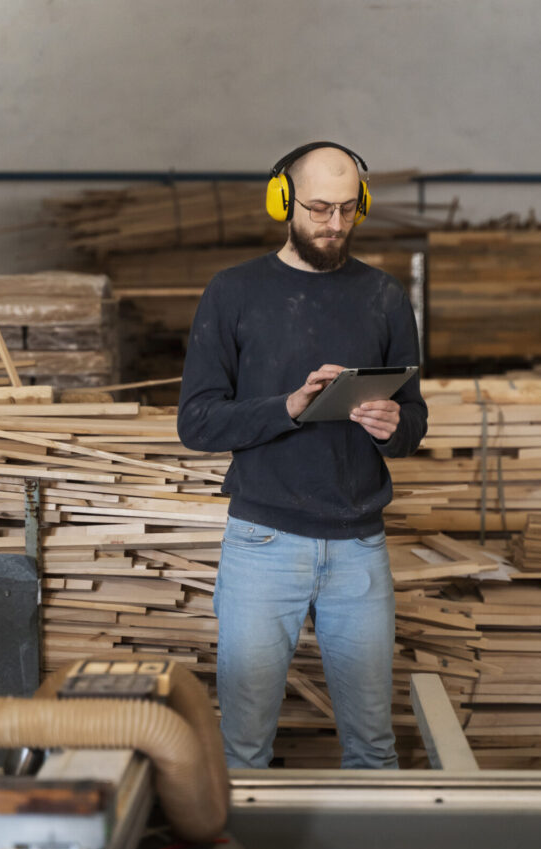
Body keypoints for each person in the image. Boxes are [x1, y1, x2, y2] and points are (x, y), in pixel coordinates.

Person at [177, 141, 428, 770]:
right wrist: (288, 406)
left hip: (359, 549)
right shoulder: (233, 293)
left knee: (373, 747)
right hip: (263, 541)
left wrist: (391, 423)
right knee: (242, 747)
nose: (335, 225)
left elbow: (414, 421)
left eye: (348, 209)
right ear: (282, 201)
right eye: (318, 208)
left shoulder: (385, 296)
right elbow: (197, 421)